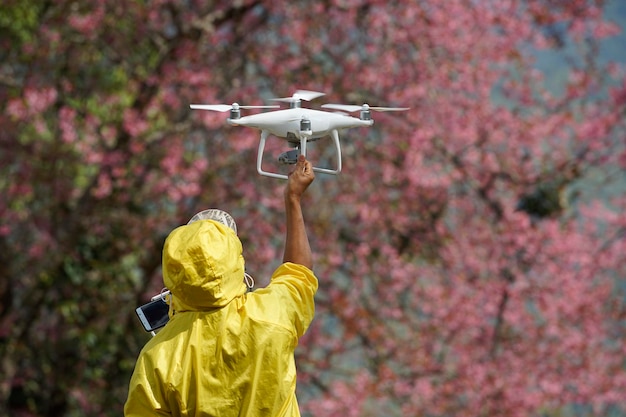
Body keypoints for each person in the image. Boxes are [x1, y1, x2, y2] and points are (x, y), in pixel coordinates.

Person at [124, 155, 317, 416]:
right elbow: (298, 271)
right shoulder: (272, 316)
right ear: (235, 263)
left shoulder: (157, 358)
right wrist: (293, 198)